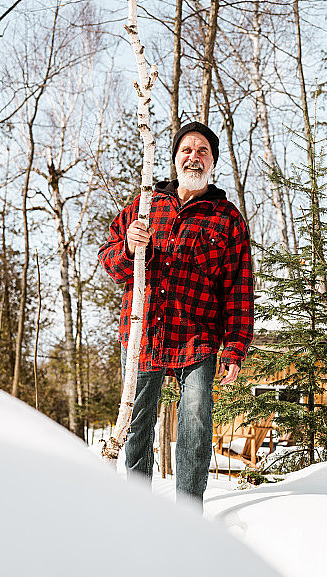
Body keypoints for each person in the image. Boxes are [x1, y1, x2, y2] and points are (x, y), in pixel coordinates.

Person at [98, 122, 254, 505]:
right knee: (137, 425)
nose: (193, 157)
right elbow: (109, 261)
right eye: (187, 150)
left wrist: (235, 348)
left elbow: (239, 288)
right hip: (143, 334)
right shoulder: (145, 205)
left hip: (197, 337)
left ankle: (187, 516)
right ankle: (138, 509)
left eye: (202, 151)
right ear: (174, 158)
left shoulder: (226, 218)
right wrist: (129, 248)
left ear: (213, 161)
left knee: (196, 423)